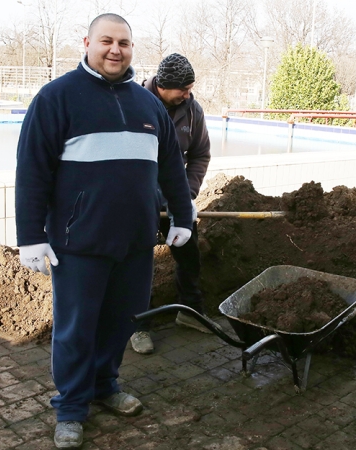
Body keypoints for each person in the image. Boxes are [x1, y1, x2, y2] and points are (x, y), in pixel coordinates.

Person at [15, 14, 194, 449]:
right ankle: (72, 408)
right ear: (88, 43)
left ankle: (105, 385)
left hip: (135, 241)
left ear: (133, 49)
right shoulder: (57, 97)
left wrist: (183, 218)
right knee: (76, 329)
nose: (116, 50)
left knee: (121, 320)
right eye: (107, 41)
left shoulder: (148, 105)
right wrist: (30, 236)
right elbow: (32, 170)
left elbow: (172, 168)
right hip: (78, 242)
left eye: (125, 43)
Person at [130, 53, 216, 355]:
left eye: (191, 88)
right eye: (184, 89)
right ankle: (137, 326)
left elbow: (200, 155)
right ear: (164, 86)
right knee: (138, 264)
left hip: (174, 201)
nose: (188, 94)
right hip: (137, 200)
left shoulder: (192, 111)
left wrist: (187, 194)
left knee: (189, 255)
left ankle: (190, 313)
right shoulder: (133, 102)